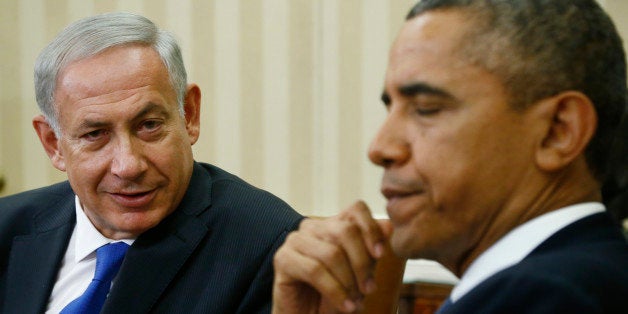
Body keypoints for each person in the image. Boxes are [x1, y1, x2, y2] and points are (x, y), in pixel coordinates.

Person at [272, 0, 628, 313]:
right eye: (391, 108)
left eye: (426, 108)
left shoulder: (544, 296)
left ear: (558, 131)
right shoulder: (575, 276)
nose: (380, 148)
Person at [0, 12, 303, 314]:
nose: (129, 165)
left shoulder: (270, 247)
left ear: (190, 115)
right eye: (95, 134)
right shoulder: (7, 226)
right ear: (53, 144)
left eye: (149, 125)